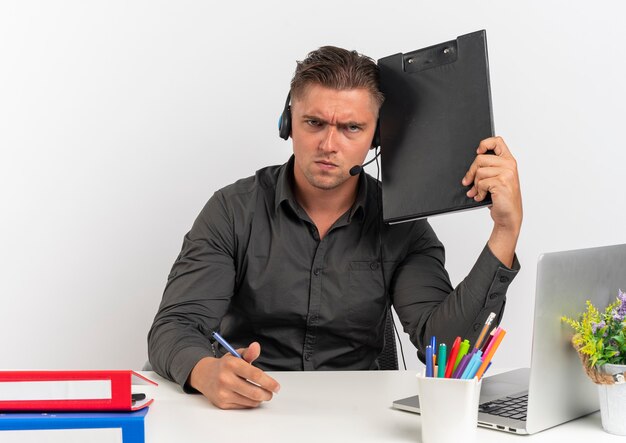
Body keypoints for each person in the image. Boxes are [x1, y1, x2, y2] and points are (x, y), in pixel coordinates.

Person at [147, 46, 522, 410]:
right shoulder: (232, 210)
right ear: (287, 124)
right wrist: (205, 372)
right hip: (251, 413)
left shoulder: (403, 226)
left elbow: (446, 347)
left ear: (377, 138)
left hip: (360, 416)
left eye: (351, 128)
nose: (329, 144)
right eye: (314, 122)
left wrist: (504, 231)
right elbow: (175, 325)